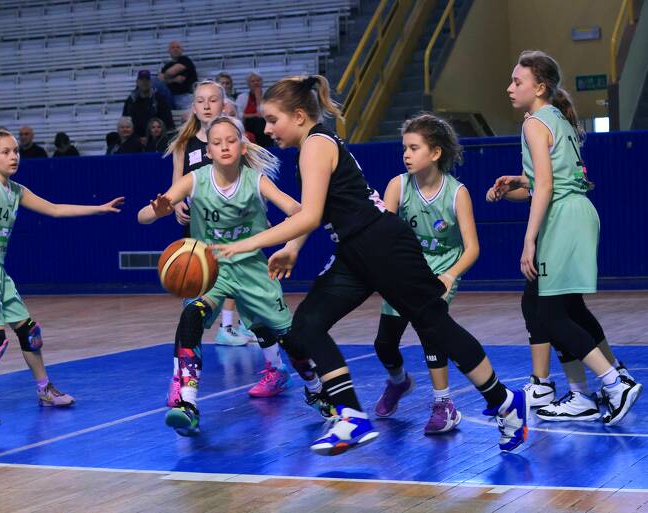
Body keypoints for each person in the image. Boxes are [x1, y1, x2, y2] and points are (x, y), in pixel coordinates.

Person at [214, 75, 529, 455]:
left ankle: (505, 402)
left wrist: (247, 243)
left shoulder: (315, 145)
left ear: (298, 116)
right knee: (307, 325)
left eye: (272, 120)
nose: (266, 129)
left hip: (382, 244)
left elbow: (309, 215)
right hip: (355, 250)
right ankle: (351, 416)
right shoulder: (313, 145)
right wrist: (293, 248)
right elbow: (316, 211)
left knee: (435, 325)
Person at [138, 115, 325, 435]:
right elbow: (142, 217)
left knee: (290, 338)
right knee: (191, 317)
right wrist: (157, 211)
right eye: (217, 142)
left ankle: (316, 388)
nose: (224, 146)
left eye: (230, 140)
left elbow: (300, 212)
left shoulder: (256, 180)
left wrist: (290, 245)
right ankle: (187, 402)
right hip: (211, 269)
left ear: (243, 146)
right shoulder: (195, 179)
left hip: (252, 268)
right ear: (208, 151)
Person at [489, 51, 642, 426]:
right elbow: (543, 181)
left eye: (518, 82)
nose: (510, 88)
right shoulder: (556, 118)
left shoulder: (534, 123)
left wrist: (529, 240)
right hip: (577, 212)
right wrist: (516, 183)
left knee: (550, 315)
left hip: (564, 218)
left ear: (540, 87)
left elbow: (545, 186)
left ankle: (613, 383)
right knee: (566, 308)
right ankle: (582, 394)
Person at [0, 130, 124, 425]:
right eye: (5, 152)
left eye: (16, 151)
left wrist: (98, 209)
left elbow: (54, 209)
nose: (13, 156)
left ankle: (44, 390)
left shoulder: (15, 190)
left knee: (29, 332)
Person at [373, 113, 478, 434]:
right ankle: (398, 381)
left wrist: (450, 276)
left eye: (414, 148)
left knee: (431, 332)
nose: (406, 154)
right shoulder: (398, 186)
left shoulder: (457, 193)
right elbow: (383, 237)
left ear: (435, 153)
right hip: (407, 268)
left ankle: (443, 404)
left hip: (442, 269)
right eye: (404, 148)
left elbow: (472, 248)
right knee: (384, 343)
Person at [165, 80, 252, 345]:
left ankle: (231, 327)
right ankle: (192, 335)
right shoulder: (184, 143)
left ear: (223, 105)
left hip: (230, 223)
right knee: (195, 280)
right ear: (193, 107)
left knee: (236, 275)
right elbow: (176, 184)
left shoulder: (233, 141)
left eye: (212, 100)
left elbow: (248, 180)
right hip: (198, 225)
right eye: (200, 101)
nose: (206, 106)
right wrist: (176, 204)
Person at [123, 70, 175, 141]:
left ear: (151, 82)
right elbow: (125, 121)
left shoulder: (160, 99)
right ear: (137, 82)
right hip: (136, 140)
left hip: (157, 138)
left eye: (147, 80)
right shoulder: (131, 101)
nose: (144, 82)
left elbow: (168, 122)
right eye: (142, 80)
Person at [235, 72, 272, 148]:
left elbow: (262, 113)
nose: (256, 83)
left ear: (262, 82)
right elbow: (238, 114)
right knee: (255, 121)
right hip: (248, 125)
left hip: (264, 124)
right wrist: (254, 115)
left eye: (258, 80)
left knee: (260, 121)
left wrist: (258, 97)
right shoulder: (241, 97)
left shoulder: (269, 95)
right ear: (248, 84)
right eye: (253, 81)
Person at [159, 41, 198, 111]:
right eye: (173, 47)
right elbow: (160, 79)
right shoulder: (167, 65)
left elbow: (170, 73)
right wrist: (174, 80)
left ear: (182, 50)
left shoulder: (185, 60)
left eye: (178, 47)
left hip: (186, 96)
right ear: (169, 51)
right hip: (170, 97)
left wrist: (166, 77)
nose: (175, 49)